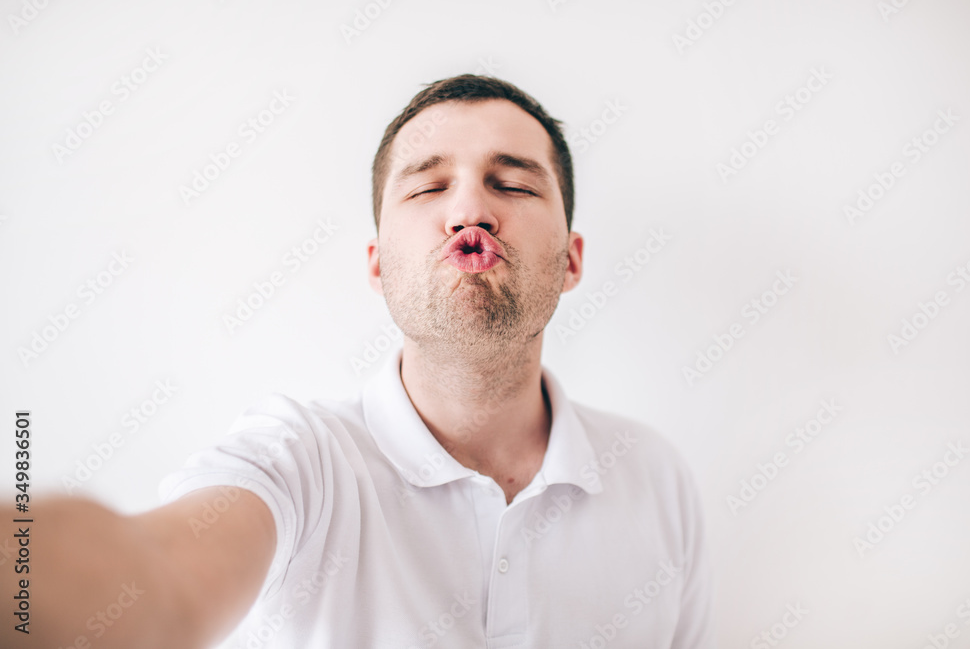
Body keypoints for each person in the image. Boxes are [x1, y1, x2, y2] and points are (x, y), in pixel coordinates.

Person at [2, 74, 714, 648]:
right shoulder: (296, 461)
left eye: (515, 183)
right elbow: (159, 581)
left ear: (571, 260)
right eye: (428, 186)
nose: (469, 206)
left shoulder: (657, 479)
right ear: (377, 265)